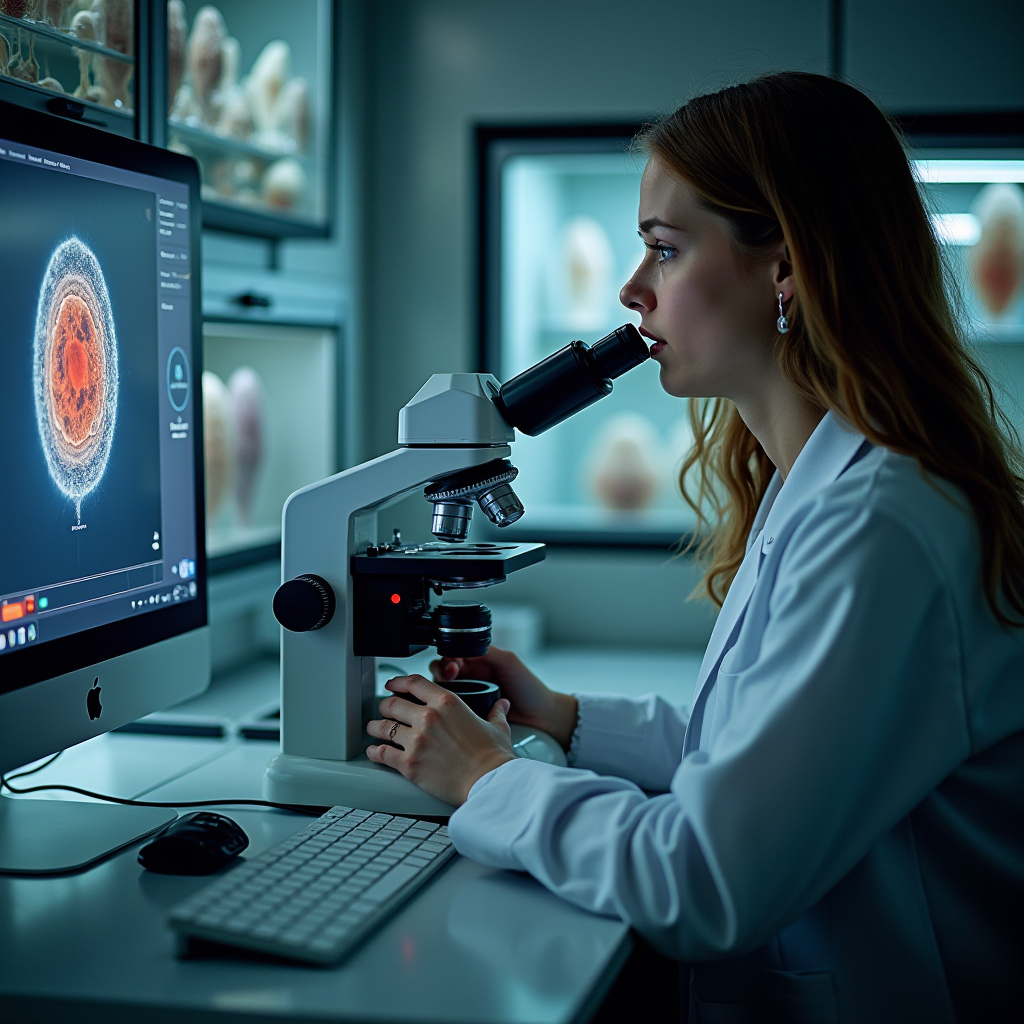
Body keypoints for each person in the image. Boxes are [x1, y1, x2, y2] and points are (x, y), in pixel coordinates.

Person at [366, 72, 1024, 1023]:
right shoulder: (824, 484)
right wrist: (564, 718)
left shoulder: (882, 526)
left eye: (666, 251)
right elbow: (763, 755)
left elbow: (705, 879)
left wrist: (488, 779)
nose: (633, 291)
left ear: (785, 266)